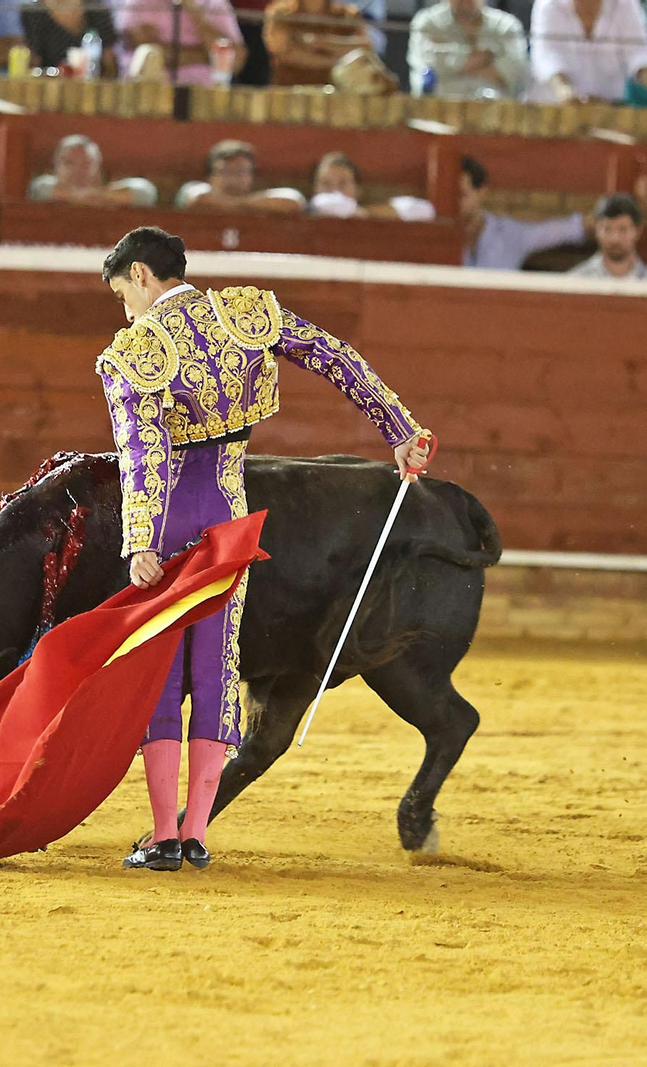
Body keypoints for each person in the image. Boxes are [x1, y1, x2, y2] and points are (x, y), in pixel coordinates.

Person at [97, 226, 432, 871]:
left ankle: (163, 835)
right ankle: (196, 834)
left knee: (166, 672)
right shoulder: (246, 314)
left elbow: (140, 455)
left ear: (140, 275)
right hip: (229, 513)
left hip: (170, 519)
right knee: (217, 668)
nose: (126, 311)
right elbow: (336, 358)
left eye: (122, 295)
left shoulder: (132, 353)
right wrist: (401, 430)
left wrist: (139, 540)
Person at [527, 0, 647, 104]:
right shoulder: (548, 5)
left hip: (608, 113)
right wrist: (565, 91)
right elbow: (546, 57)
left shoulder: (626, 5)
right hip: (552, 113)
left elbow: (639, 55)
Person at [458, 154, 587, 269]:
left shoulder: (508, 233)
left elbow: (558, 231)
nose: (452, 201)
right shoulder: (438, 232)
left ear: (481, 192)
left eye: (461, 194)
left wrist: (598, 221)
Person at [407, 0, 529, 99]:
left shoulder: (506, 26)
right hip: (437, 112)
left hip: (495, 116)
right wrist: (485, 59)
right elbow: (429, 69)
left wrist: (452, 69)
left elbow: (514, 72)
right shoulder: (427, 22)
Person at [115, 0, 246, 85]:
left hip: (205, 97)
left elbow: (235, 61)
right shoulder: (138, 3)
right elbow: (146, 53)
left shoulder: (215, 4)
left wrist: (192, 9)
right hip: (150, 95)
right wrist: (206, 56)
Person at [175, 139, 307, 214]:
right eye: (225, 171)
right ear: (211, 176)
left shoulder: (260, 199)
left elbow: (294, 201)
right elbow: (196, 198)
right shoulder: (197, 190)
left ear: (252, 175)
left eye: (240, 171)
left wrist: (237, 202)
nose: (232, 178)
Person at [27, 134, 158, 207]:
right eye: (68, 163)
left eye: (86, 163)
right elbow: (40, 189)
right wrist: (79, 197)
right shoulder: (43, 187)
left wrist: (99, 196)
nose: (78, 170)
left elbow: (146, 192)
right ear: (55, 167)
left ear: (98, 166)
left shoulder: (112, 191)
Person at [262, 0, 372, 85]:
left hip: (336, 97)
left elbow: (364, 47)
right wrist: (338, 60)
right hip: (289, 94)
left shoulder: (347, 15)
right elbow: (285, 52)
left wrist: (321, 42)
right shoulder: (281, 13)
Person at [306, 150, 437, 220]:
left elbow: (425, 210)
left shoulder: (368, 212)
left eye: (343, 183)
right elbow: (326, 204)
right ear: (314, 189)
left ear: (357, 190)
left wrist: (362, 213)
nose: (334, 190)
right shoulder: (307, 208)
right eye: (325, 183)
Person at [567, 193, 647, 278]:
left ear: (638, 231)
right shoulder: (575, 282)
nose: (615, 239)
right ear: (596, 229)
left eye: (623, 230)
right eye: (607, 229)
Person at [21, 0, 118, 71]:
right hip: (49, 88)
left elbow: (110, 63)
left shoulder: (96, 9)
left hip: (94, 88)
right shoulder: (33, 12)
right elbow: (33, 62)